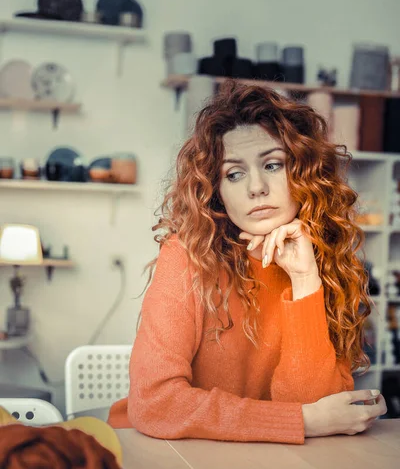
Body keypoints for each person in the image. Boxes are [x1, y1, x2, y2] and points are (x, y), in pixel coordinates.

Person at [108, 81, 387, 443]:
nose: (256, 187)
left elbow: (315, 406)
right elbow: (156, 403)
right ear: (217, 193)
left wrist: (305, 281)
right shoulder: (187, 255)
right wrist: (302, 422)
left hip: (264, 460)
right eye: (234, 173)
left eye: (272, 165)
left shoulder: (325, 262)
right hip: (167, 450)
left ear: (304, 174)